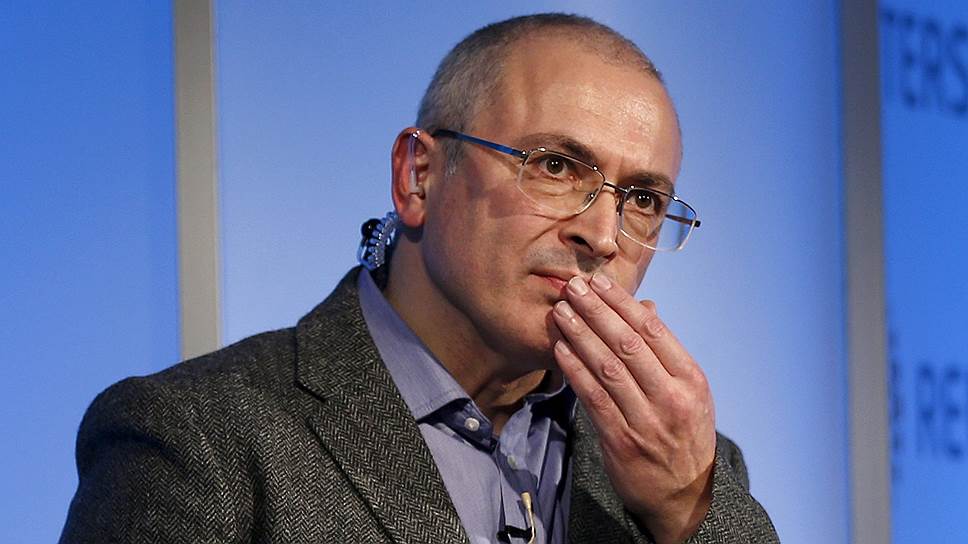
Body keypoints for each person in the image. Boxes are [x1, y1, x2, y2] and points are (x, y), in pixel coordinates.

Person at [60, 13, 777, 544]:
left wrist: (686, 508)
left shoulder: (683, 471)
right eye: (556, 167)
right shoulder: (196, 439)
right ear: (419, 176)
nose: (602, 234)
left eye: (642, 199)